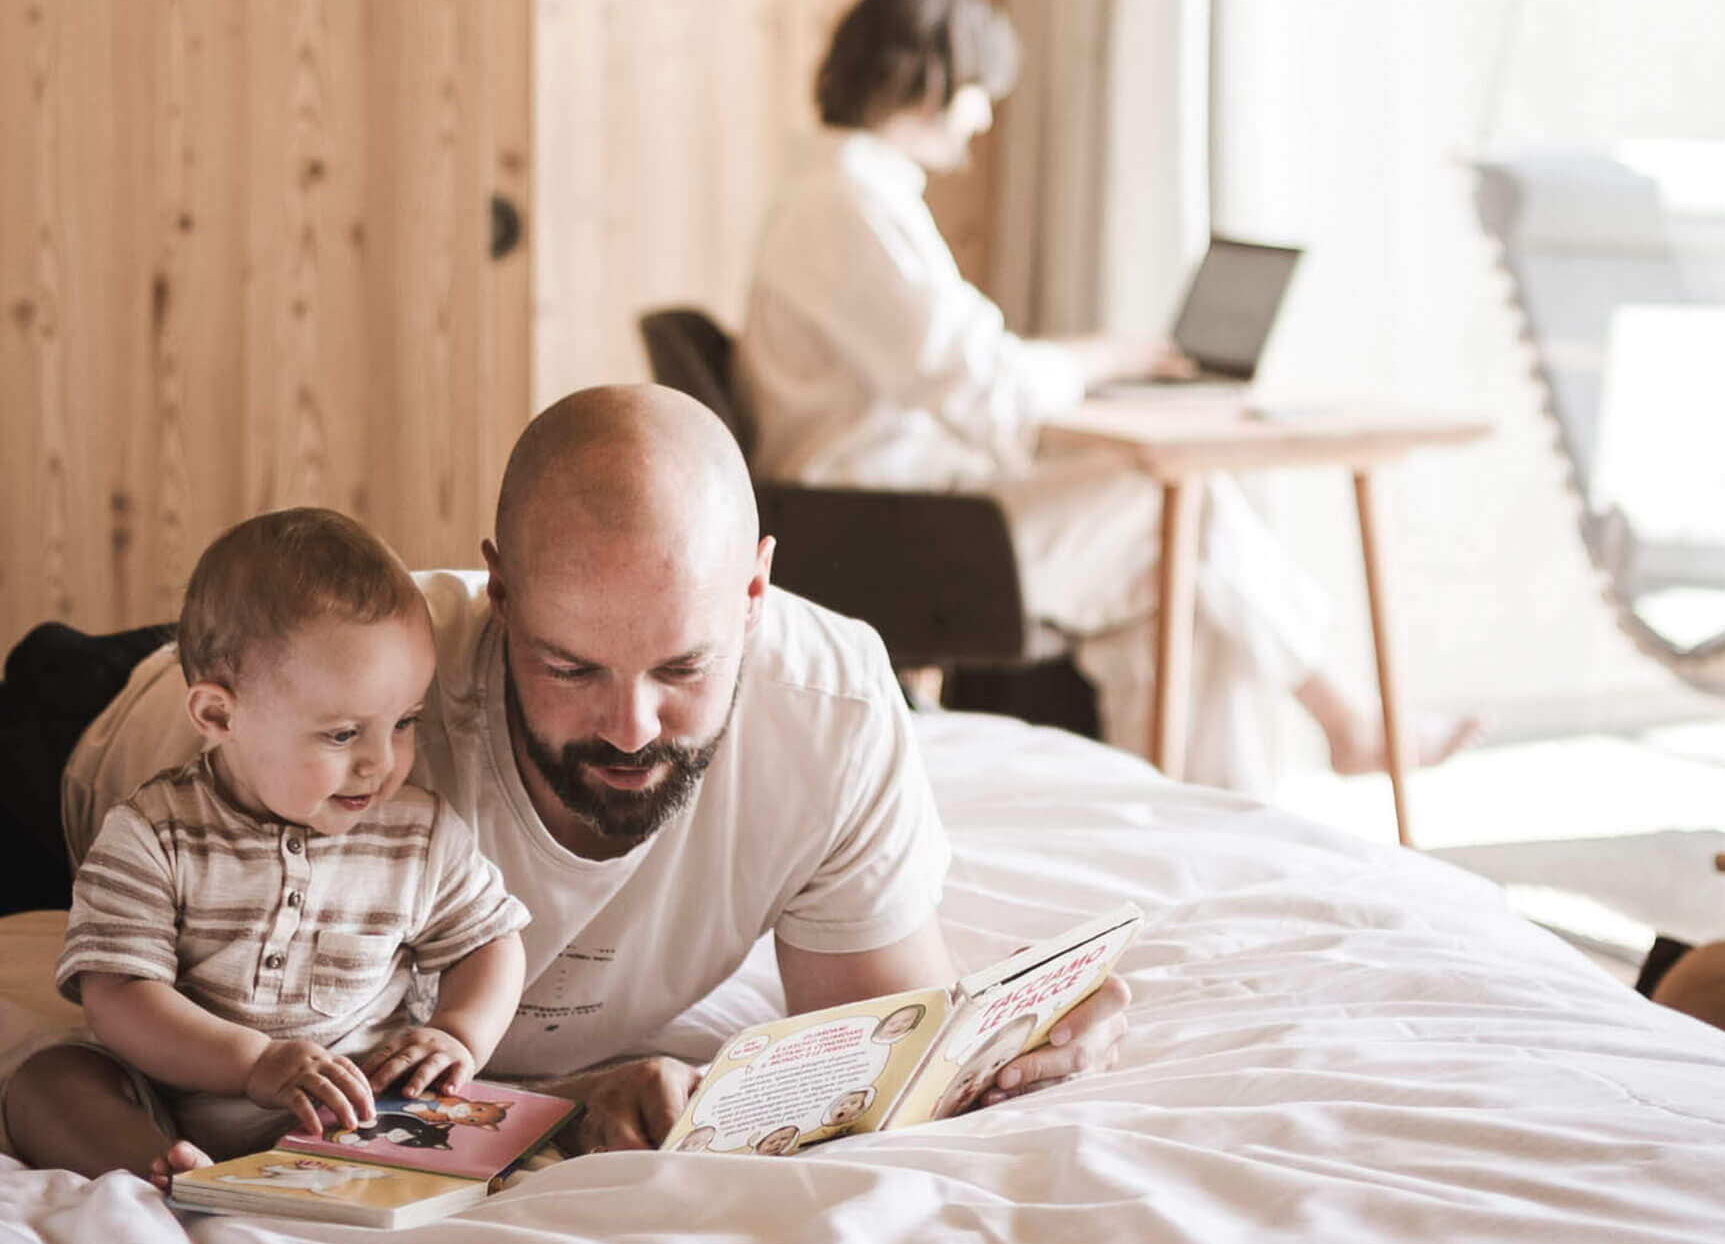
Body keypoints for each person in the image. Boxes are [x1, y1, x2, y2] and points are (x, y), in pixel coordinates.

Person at [0, 384, 1127, 1174]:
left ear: (756, 590)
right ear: (500, 593)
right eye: (570, 665)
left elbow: (869, 1040)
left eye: (683, 666)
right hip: (98, 723)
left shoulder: (827, 712)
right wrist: (564, 1104)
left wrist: (1021, 1040)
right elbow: (256, 1063)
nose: (632, 728)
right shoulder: (356, 742)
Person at [736, 0, 1459, 788]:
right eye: (978, 89)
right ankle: (1343, 721)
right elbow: (984, 390)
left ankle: (1213, 837)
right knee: (1181, 512)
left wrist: (1090, 361)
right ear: (932, 77)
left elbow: (964, 366)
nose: (982, 114)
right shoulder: (848, 201)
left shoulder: (843, 193)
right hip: (889, 532)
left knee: (1181, 591)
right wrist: (1097, 361)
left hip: (903, 509)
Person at [43, 509, 529, 1187]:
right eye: (341, 735)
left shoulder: (419, 836)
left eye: (405, 723)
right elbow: (118, 993)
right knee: (51, 1081)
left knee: (447, 1112)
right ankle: (160, 1168)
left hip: (354, 1101)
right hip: (177, 1098)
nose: (381, 762)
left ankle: (352, 1165)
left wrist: (457, 1033)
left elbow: (491, 942)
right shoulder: (153, 833)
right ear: (218, 716)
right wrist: (252, 1063)